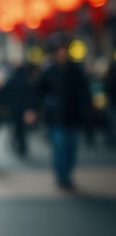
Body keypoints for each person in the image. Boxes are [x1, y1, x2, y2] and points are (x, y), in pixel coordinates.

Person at [37, 33, 91, 190]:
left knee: (71, 147)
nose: (62, 54)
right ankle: (62, 175)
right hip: (56, 117)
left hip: (72, 115)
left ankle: (67, 172)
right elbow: (40, 92)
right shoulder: (49, 71)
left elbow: (83, 93)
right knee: (60, 146)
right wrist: (46, 106)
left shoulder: (75, 70)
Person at [1, 62, 39, 158]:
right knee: (21, 129)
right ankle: (21, 146)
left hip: (14, 109)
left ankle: (18, 143)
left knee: (16, 128)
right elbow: (32, 96)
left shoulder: (12, 80)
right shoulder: (27, 81)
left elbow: (4, 93)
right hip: (23, 109)